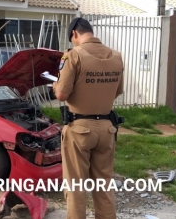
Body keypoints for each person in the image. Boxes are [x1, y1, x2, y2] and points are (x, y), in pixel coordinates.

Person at [52, 17, 124, 219]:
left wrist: (55, 85)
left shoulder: (73, 56)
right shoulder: (117, 57)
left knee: (75, 187)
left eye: (71, 38)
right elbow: (117, 90)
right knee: (103, 185)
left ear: (74, 33)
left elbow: (62, 95)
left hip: (79, 128)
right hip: (108, 129)